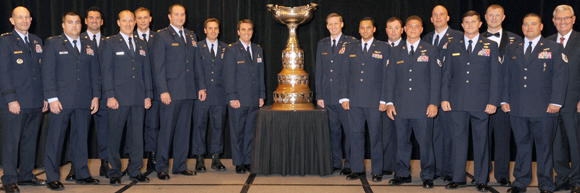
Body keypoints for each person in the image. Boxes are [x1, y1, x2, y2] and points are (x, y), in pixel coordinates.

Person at [502, 13, 568, 193]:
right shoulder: (512, 48)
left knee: (544, 148)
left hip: (544, 107)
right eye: (525, 24)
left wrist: (556, 102)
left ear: (541, 27)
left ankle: (546, 184)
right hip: (518, 106)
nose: (529, 27)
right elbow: (506, 76)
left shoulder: (554, 47)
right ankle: (520, 182)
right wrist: (504, 99)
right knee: (522, 146)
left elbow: (560, 77)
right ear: (522, 27)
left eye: (533, 24)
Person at [440, 11, 501, 192]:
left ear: (480, 23)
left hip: (482, 103)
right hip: (457, 102)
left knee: (481, 142)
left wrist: (493, 101)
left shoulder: (490, 45)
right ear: (462, 24)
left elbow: (495, 77)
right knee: (458, 141)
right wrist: (444, 97)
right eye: (466, 22)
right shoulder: (453, 45)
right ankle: (458, 178)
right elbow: (446, 74)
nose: (470, 25)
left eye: (473, 22)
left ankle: (481, 179)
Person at [42, 11, 101, 190]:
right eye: (70, 22)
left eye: (77, 22)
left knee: (81, 139)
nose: (74, 25)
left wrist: (96, 96)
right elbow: (47, 72)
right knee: (56, 139)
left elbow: (95, 73)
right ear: (63, 25)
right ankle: (52, 177)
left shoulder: (89, 45)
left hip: (84, 100)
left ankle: (82, 173)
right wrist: (52, 98)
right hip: (61, 101)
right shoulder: (53, 43)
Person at [150, 3, 206, 180]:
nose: (180, 17)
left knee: (184, 130)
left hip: (189, 91)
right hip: (171, 93)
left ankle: (180, 165)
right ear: (169, 17)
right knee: (166, 131)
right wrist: (163, 90)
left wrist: (202, 86)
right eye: (177, 14)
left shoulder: (191, 35)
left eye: (182, 15)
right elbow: (158, 67)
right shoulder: (162, 36)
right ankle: (162, 167)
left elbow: (197, 64)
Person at [385, 15, 439, 189]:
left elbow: (435, 79)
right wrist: (389, 103)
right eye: (410, 26)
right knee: (401, 142)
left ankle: (428, 175)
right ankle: (402, 173)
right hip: (400, 106)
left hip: (423, 106)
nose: (413, 29)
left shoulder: (430, 50)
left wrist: (433, 103)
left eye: (417, 26)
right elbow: (390, 79)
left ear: (422, 29)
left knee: (425, 143)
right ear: (405, 29)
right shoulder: (394, 51)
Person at [100, 10, 153, 185]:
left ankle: (135, 170)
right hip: (118, 99)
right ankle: (114, 171)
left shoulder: (141, 43)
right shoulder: (110, 43)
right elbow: (106, 72)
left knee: (137, 137)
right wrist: (109, 95)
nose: (129, 24)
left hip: (138, 98)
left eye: (132, 20)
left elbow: (146, 72)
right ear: (118, 22)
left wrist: (148, 95)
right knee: (115, 137)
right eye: (125, 21)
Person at [0, 6, 48, 193]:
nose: (24, 21)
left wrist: (45, 97)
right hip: (15, 102)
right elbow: (3, 73)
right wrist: (11, 99)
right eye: (20, 18)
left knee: (30, 140)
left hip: (35, 101)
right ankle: (9, 178)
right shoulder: (5, 41)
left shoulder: (37, 41)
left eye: (27, 17)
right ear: (12, 21)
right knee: (12, 142)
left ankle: (26, 175)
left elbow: (41, 72)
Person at [340, 17, 388, 182]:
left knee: (375, 136)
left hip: (375, 101)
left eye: (368, 27)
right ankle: (357, 169)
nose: (365, 30)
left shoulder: (383, 48)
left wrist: (384, 99)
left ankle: (377, 170)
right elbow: (345, 73)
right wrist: (344, 97)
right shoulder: (351, 48)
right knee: (355, 135)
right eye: (362, 28)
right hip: (355, 100)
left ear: (374, 29)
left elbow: (386, 76)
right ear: (359, 30)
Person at [422, 5, 463, 181]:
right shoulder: (426, 38)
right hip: (429, 95)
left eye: (442, 14)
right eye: (435, 15)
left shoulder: (459, 37)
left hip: (450, 95)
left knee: (451, 135)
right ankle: (437, 169)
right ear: (431, 19)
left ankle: (451, 171)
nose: (438, 17)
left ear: (448, 18)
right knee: (434, 135)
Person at [314, 13, 358, 176]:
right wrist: (320, 95)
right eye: (330, 24)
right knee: (333, 132)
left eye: (336, 24)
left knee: (349, 131)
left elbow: (354, 71)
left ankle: (350, 163)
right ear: (327, 26)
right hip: (328, 96)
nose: (333, 27)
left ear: (342, 24)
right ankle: (335, 162)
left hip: (345, 97)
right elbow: (319, 71)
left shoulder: (352, 42)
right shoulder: (322, 44)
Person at [483, 4, 521, 187]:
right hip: (482, 99)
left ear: (504, 17)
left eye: (497, 15)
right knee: (481, 139)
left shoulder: (516, 39)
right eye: (491, 15)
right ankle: (482, 173)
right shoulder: (476, 38)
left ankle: (502, 174)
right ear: (485, 17)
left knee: (503, 138)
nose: (494, 18)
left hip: (506, 98)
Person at [70, 6, 108, 180]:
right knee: (79, 132)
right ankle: (75, 167)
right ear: (85, 21)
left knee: (104, 132)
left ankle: (105, 164)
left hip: (105, 95)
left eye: (97, 18)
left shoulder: (110, 42)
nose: (94, 21)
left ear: (102, 21)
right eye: (91, 18)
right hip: (82, 96)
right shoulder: (77, 39)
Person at [224, 19, 265, 174]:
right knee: (237, 132)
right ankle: (238, 162)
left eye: (249, 29)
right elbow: (228, 76)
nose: (247, 32)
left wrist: (262, 94)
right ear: (238, 32)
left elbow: (261, 74)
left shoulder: (258, 49)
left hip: (254, 98)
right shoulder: (232, 50)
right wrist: (232, 97)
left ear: (252, 32)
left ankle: (247, 160)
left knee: (250, 132)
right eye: (243, 29)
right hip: (238, 99)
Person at [548, 5, 580, 193]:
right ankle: (562, 178)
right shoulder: (547, 42)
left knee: (576, 143)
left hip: (574, 102)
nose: (562, 22)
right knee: (556, 143)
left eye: (566, 18)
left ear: (573, 19)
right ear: (553, 21)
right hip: (552, 103)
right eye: (558, 19)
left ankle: (577, 180)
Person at [191, 18, 228, 173]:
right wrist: (201, 87)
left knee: (218, 127)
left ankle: (216, 158)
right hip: (202, 93)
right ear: (205, 30)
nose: (213, 31)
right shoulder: (196, 47)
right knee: (199, 126)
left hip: (220, 94)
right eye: (210, 28)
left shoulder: (227, 49)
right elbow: (193, 71)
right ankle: (199, 158)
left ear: (219, 30)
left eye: (216, 28)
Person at [134, 6, 158, 172]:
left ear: (150, 19)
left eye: (145, 17)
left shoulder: (159, 38)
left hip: (154, 90)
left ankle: (152, 158)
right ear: (135, 20)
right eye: (139, 18)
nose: (143, 21)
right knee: (134, 128)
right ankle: (133, 162)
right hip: (133, 91)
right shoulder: (128, 37)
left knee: (153, 125)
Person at [382, 16, 403, 176]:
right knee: (384, 134)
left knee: (400, 136)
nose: (393, 31)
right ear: (386, 30)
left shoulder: (407, 47)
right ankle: (387, 166)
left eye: (396, 28)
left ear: (402, 30)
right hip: (381, 99)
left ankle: (399, 167)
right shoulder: (380, 48)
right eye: (390, 28)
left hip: (401, 99)